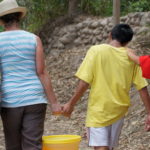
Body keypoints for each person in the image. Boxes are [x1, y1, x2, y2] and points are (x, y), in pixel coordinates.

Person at [62, 24, 150, 150]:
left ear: (110, 35)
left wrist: (71, 104)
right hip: (119, 111)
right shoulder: (131, 57)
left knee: (101, 148)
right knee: (108, 147)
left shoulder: (96, 50)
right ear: (128, 41)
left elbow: (84, 82)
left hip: (99, 110)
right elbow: (142, 88)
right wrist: (149, 113)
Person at [0, 0, 61, 150]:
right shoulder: (34, 39)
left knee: (13, 144)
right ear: (19, 17)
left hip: (10, 99)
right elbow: (41, 72)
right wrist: (54, 102)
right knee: (33, 144)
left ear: (1, 21)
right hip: (35, 98)